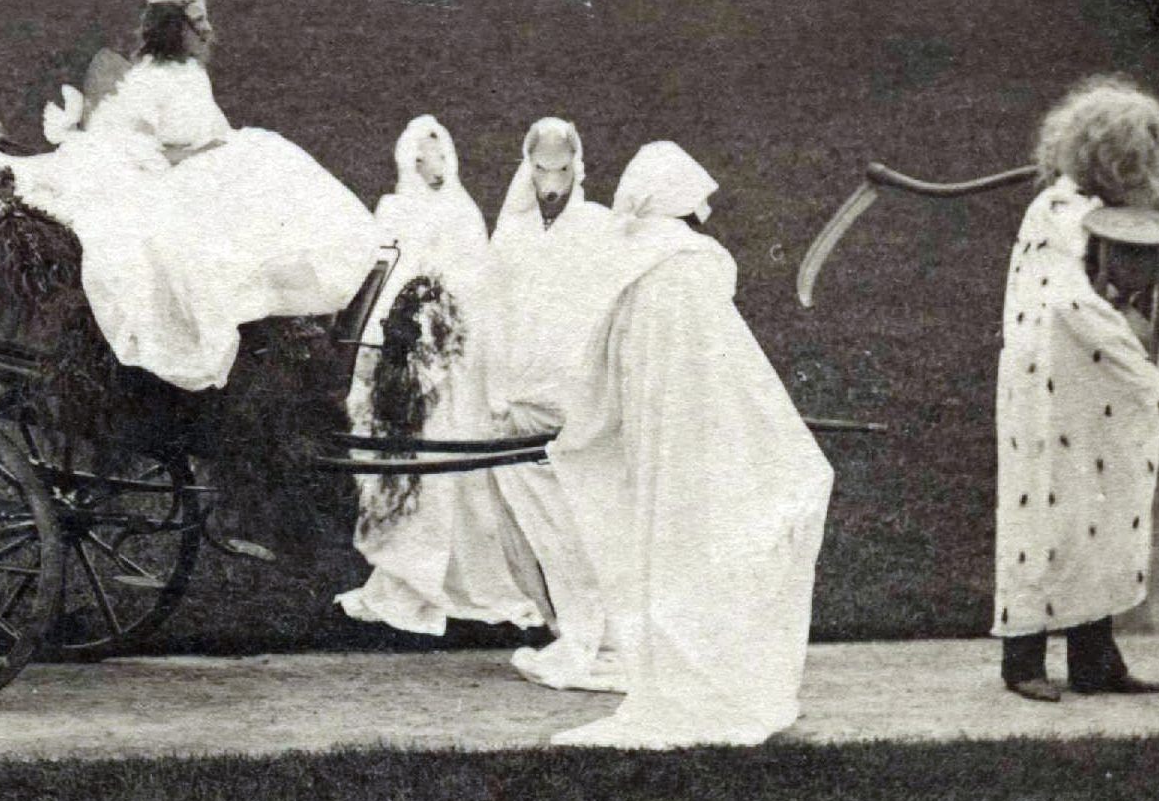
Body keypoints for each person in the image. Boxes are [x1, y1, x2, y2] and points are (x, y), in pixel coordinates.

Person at [0, 0, 379, 392]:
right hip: (140, 168)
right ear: (176, 30)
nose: (209, 31)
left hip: (147, 160)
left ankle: (295, 311)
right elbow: (175, 149)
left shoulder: (170, 73)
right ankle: (281, 314)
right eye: (198, 24)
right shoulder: (166, 78)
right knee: (254, 175)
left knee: (268, 163)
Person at [548, 142, 834, 749]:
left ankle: (678, 674)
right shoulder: (689, 263)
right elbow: (730, 369)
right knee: (726, 537)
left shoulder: (622, 263)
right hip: (703, 437)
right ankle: (718, 683)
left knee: (663, 548)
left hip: (650, 439)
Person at [994, 77, 1159, 702]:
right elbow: (1066, 300)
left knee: (1096, 507)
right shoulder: (1059, 213)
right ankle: (1022, 661)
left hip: (1087, 387)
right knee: (1046, 507)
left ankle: (1095, 658)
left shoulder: (1097, 215)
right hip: (1053, 386)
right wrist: (1134, 362)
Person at [337, 115, 546, 636]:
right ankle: (408, 574)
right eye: (424, 155)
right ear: (410, 159)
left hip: (454, 356)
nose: (436, 164)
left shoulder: (461, 209)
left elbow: (479, 279)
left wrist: (446, 315)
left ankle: (466, 578)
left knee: (460, 465)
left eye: (441, 153)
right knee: (413, 458)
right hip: (409, 351)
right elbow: (384, 281)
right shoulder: (394, 209)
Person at [483, 118, 624, 692]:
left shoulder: (594, 227)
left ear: (577, 167)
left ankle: (603, 629)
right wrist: (495, 387)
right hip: (513, 393)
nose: (551, 182)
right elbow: (494, 308)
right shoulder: (511, 231)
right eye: (541, 169)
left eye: (561, 169)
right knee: (528, 515)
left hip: (567, 397)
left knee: (579, 515)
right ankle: (564, 621)